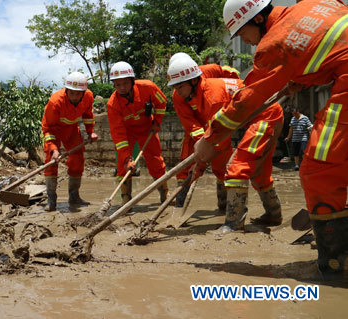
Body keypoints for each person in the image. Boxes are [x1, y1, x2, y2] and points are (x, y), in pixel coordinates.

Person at [195, 0, 348, 279]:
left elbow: (244, 102)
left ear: (257, 20)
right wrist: (303, 76)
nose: (249, 43)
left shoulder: (274, 43)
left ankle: (336, 263)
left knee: (319, 167)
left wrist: (210, 136)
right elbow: (332, 51)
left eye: (243, 35)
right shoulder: (310, 6)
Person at [169, 53, 240, 208]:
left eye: (180, 86)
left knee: (221, 159)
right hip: (200, 116)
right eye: (175, 86)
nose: (178, 91)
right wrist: (202, 145)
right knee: (187, 158)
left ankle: (224, 202)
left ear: (193, 78)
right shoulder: (178, 95)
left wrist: (203, 160)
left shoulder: (209, 82)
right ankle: (180, 198)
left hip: (220, 111)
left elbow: (219, 136)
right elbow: (190, 124)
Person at [107, 61, 168, 205]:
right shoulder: (112, 104)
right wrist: (127, 158)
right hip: (127, 133)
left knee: (155, 160)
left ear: (132, 81)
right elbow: (118, 135)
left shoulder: (148, 87)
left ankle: (165, 194)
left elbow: (162, 102)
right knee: (123, 165)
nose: (121, 88)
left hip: (148, 128)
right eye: (117, 85)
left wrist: (157, 122)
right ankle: (126, 199)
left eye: (125, 84)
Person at [41, 72, 98, 211]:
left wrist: (91, 132)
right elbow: (48, 128)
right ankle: (51, 199)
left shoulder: (88, 97)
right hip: (54, 130)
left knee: (77, 158)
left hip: (72, 129)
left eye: (78, 94)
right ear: (66, 91)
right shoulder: (55, 101)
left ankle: (74, 196)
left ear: (83, 93)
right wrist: (54, 149)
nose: (74, 97)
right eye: (71, 93)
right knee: (51, 160)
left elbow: (88, 115)